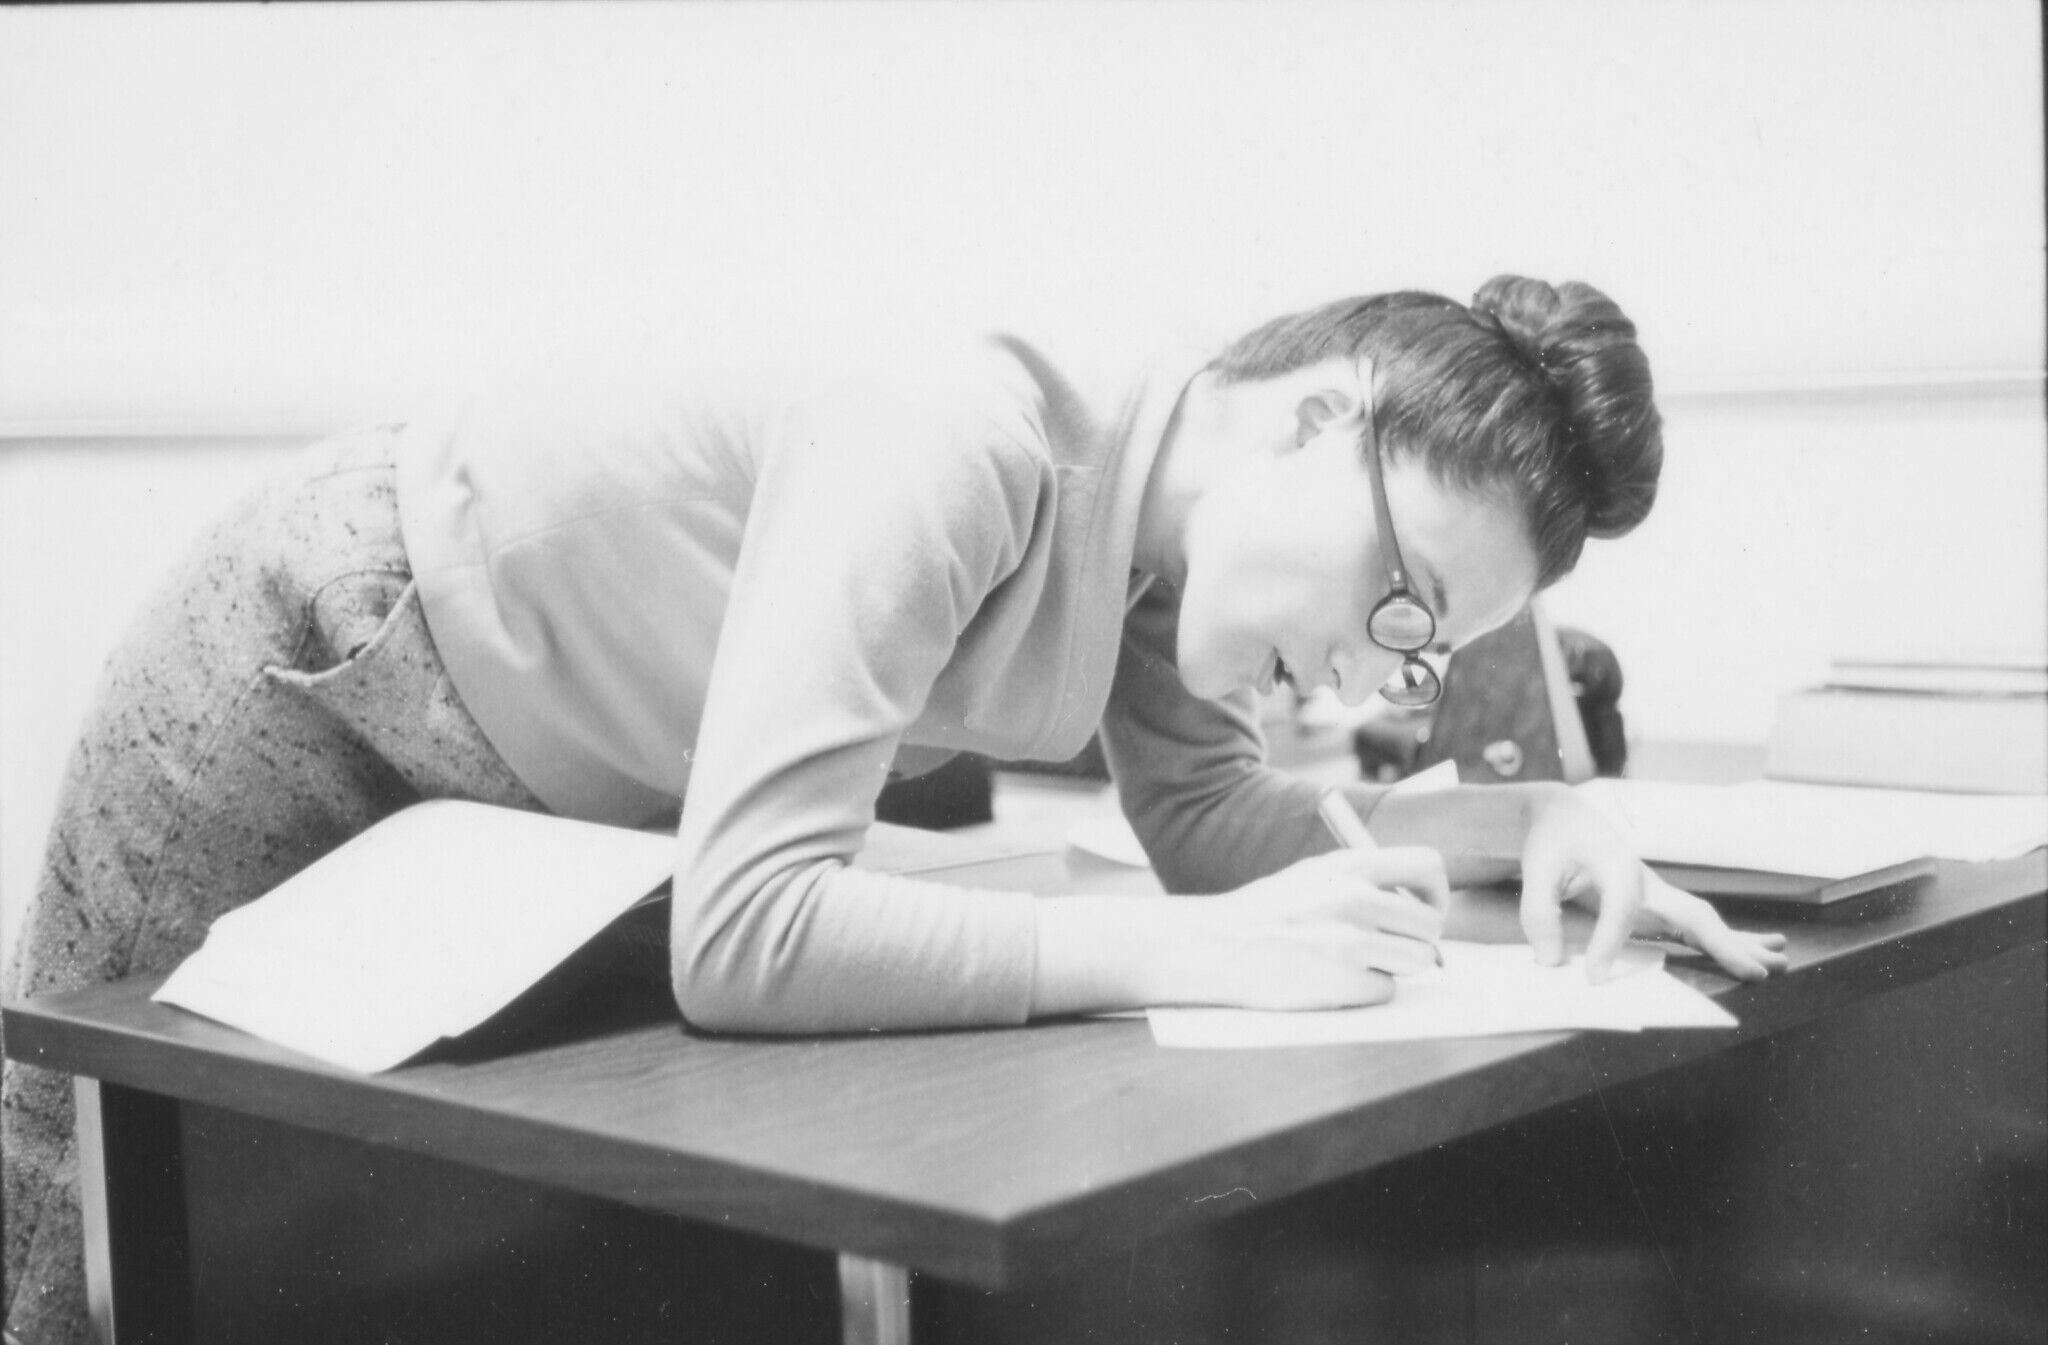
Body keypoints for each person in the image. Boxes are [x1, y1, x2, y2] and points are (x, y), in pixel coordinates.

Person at [0, 275, 1786, 1342]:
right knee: (69, 1228)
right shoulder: (972, 433)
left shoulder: (1180, 552)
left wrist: (1525, 829)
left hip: (529, 803)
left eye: (1429, 652)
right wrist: (1198, 955)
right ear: (1321, 415)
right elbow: (747, 935)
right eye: (1403, 604)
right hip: (319, 666)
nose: (1379, 674)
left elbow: (1214, 831)